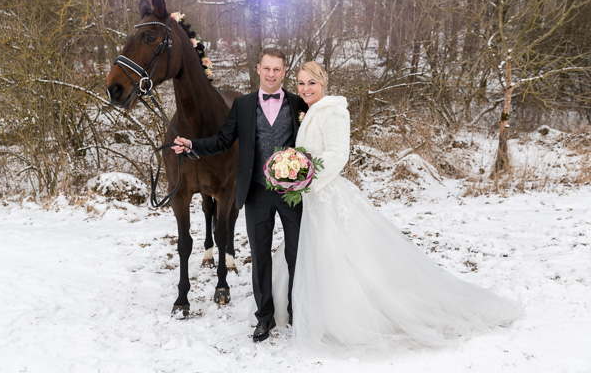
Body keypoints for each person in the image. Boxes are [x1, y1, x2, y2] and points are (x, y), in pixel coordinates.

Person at [288, 61, 523, 357]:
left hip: (326, 194)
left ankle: (346, 318)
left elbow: (338, 156)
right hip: (313, 199)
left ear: (323, 84)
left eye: (312, 83)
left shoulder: (333, 111)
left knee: (340, 255)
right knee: (320, 254)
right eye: (301, 83)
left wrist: (307, 182)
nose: (306, 88)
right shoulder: (311, 111)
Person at [171, 48, 308, 343]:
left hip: (292, 193)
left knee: (298, 253)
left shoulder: (298, 104)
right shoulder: (243, 106)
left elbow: (315, 137)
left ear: (284, 72)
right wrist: (191, 145)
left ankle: (298, 311)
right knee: (260, 256)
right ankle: (264, 318)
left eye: (277, 70)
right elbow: (222, 141)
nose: (271, 74)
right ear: (258, 69)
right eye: (267, 68)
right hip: (255, 191)